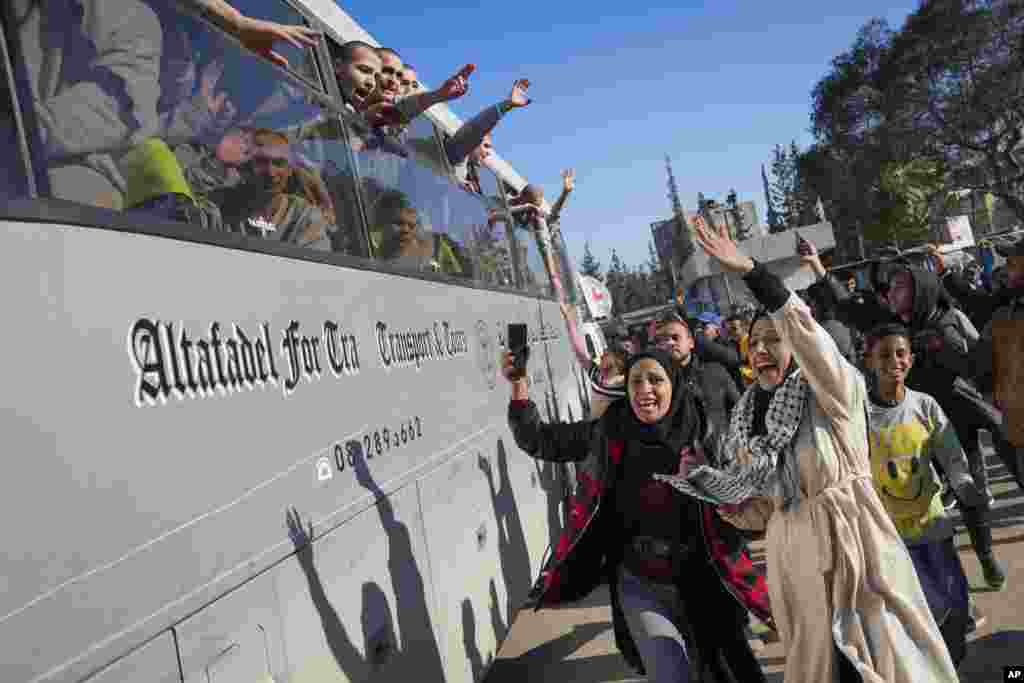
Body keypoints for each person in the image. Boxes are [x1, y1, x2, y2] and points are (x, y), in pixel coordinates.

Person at [658, 220, 960, 683]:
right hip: (796, 566)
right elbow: (762, 511)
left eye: (773, 339)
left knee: (887, 663)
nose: (762, 349)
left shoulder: (833, 391)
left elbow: (807, 335)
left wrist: (752, 272)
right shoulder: (748, 419)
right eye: (754, 343)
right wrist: (712, 486)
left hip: (855, 549)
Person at [505, 348, 771, 682]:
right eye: (635, 381)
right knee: (669, 672)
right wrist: (518, 384)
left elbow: (747, 499)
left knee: (729, 672)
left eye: (655, 379)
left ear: (674, 384)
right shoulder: (609, 431)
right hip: (641, 583)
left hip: (705, 581)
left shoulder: (707, 430)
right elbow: (539, 439)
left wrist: (717, 484)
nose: (645, 389)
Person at [863, 323, 982, 666]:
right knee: (927, 605)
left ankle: (955, 661)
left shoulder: (924, 405)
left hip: (933, 522)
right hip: (892, 534)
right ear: (869, 361)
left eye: (901, 353)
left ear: (911, 359)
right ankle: (938, 662)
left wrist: (963, 482)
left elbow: (950, 451)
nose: (894, 361)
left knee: (956, 597)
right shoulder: (861, 415)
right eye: (884, 355)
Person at [208, 128, 330, 250]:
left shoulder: (305, 217)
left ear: (289, 170)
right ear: (245, 166)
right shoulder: (217, 206)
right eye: (261, 162)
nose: (271, 172)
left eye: (279, 163)